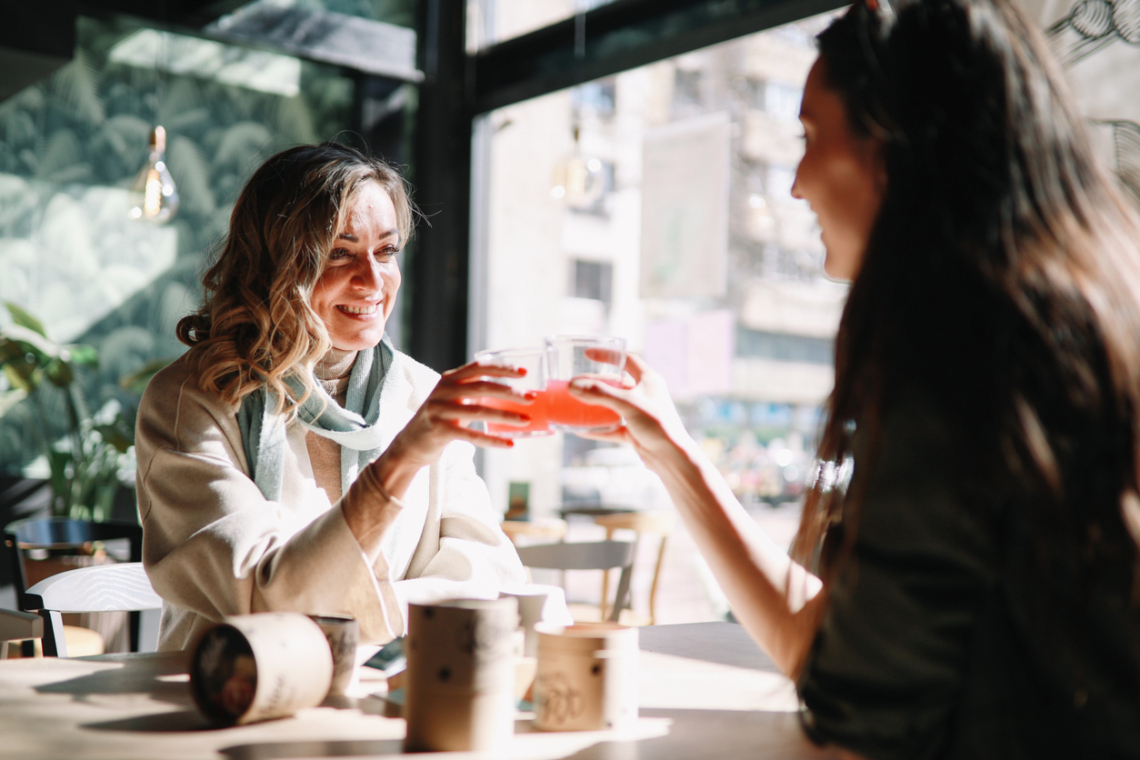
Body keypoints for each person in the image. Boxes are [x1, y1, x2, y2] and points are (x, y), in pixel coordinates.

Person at [568, 0, 1140, 757]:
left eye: (810, 136)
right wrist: (673, 450)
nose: (799, 182)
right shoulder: (1073, 316)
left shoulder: (961, 358)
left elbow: (858, 715)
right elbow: (837, 653)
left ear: (896, 148)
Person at [136, 143, 530, 651]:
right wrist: (405, 458)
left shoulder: (421, 394)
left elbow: (493, 577)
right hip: (228, 697)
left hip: (389, 698)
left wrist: (357, 609)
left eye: (386, 251)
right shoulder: (193, 399)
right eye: (338, 253)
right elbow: (262, 594)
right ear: (273, 264)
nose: (372, 280)